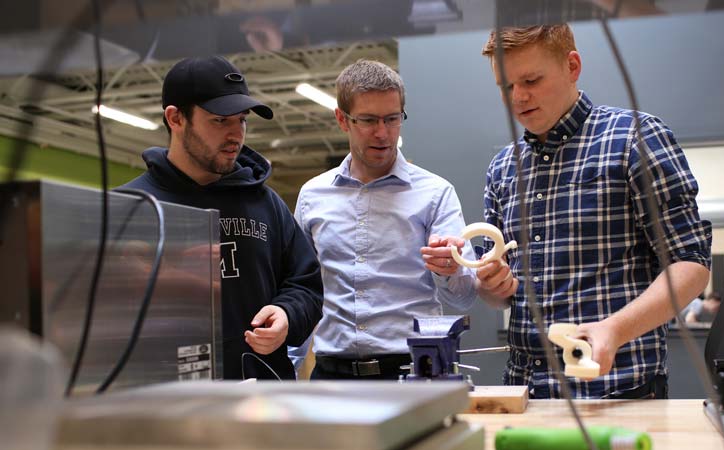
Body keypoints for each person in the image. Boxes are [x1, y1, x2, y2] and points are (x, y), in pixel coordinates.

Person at [475, 24, 712, 399]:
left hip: (617, 391)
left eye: (531, 80)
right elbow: (498, 295)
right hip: (524, 393)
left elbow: (691, 265)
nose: (518, 97)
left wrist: (614, 329)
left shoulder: (635, 138)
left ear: (572, 66)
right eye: (506, 87)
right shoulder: (504, 167)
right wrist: (492, 284)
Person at [120, 56, 324, 381]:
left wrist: (287, 314)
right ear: (175, 118)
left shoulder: (266, 203)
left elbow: (306, 285)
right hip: (163, 398)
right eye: (220, 121)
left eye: (242, 120)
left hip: (262, 394)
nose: (236, 135)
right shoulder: (130, 208)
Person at [295, 59, 477, 380]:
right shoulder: (312, 196)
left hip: (413, 371)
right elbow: (302, 292)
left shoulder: (435, 193)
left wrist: (450, 270)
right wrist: (287, 371)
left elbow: (463, 297)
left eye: (392, 119)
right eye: (368, 120)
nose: (382, 133)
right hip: (331, 376)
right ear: (342, 119)